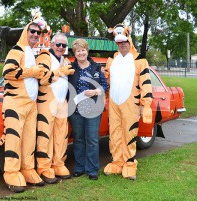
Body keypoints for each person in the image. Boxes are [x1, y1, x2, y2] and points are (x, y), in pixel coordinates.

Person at [0, 14, 48, 193]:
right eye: (33, 31)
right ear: (25, 32)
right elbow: (9, 72)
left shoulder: (32, 53)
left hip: (31, 105)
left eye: (39, 32)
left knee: (29, 140)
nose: (36, 35)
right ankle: (11, 172)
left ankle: (28, 169)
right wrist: (33, 71)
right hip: (16, 103)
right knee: (14, 139)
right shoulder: (16, 51)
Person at [103, 23, 153, 180]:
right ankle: (117, 162)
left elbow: (146, 83)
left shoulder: (139, 60)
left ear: (129, 40)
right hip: (114, 103)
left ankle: (130, 163)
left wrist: (145, 105)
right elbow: (106, 80)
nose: (122, 44)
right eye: (119, 42)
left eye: (124, 41)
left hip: (131, 103)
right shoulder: (112, 59)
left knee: (129, 134)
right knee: (115, 133)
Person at [36, 33, 75, 184]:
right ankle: (44, 168)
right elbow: (43, 78)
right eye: (58, 44)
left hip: (61, 102)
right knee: (45, 136)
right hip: (47, 101)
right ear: (52, 44)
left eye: (64, 45)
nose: (60, 47)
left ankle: (58, 163)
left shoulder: (65, 60)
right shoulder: (44, 57)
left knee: (61, 135)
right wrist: (60, 72)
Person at [67, 38, 108, 180]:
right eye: (78, 50)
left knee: (92, 139)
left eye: (83, 50)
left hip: (93, 109)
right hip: (76, 110)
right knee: (78, 139)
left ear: (87, 51)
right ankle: (79, 167)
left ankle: (92, 169)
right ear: (75, 53)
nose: (81, 53)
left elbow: (105, 86)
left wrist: (96, 92)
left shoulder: (96, 68)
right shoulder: (71, 69)